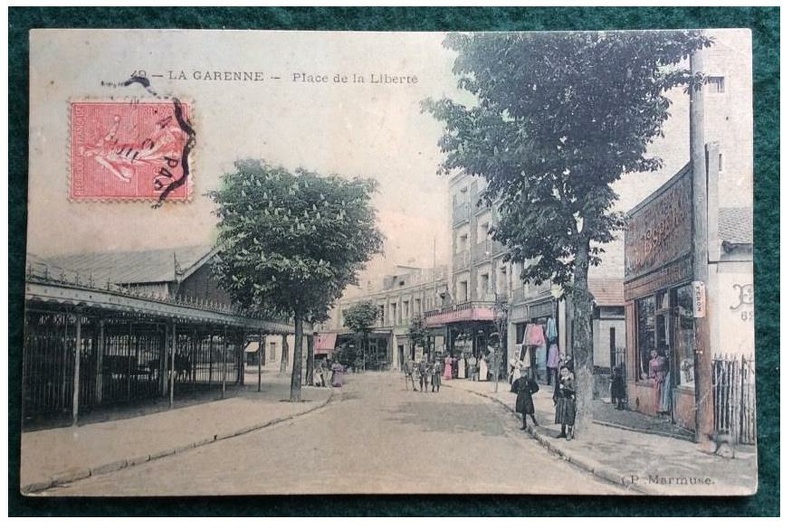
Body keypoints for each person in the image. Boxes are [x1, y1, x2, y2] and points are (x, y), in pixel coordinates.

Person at [553, 364, 576, 440]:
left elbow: (573, 390)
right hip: (561, 400)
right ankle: (562, 432)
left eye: (566, 371)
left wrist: (565, 388)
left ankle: (569, 433)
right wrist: (555, 399)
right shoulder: (559, 380)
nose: (564, 372)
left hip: (568, 400)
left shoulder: (571, 381)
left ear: (569, 372)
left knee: (569, 416)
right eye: (563, 371)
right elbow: (556, 390)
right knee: (562, 416)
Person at [648, 349, 670, 415]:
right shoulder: (651, 362)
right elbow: (651, 371)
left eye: (655, 352)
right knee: (657, 393)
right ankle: (658, 409)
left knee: (664, 392)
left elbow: (666, 368)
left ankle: (664, 408)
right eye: (652, 353)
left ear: (657, 352)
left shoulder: (662, 359)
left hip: (664, 377)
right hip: (657, 379)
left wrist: (664, 375)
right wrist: (656, 377)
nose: (653, 354)